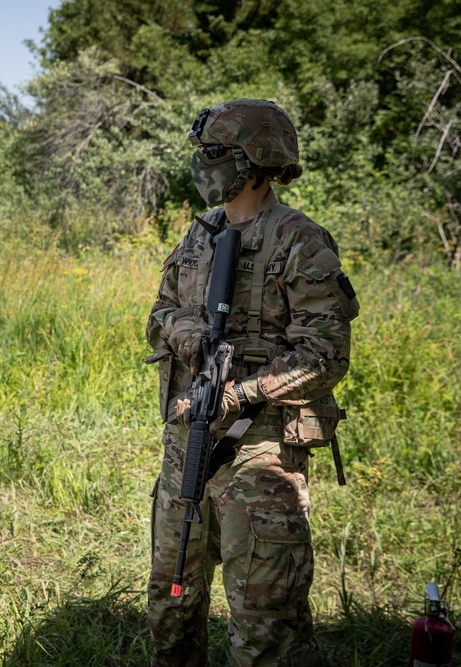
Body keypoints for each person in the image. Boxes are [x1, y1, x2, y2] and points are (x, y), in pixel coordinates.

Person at [145, 99, 359, 667]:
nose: (203, 166)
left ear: (256, 161)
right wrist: (186, 330)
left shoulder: (300, 240)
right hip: (186, 441)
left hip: (262, 454)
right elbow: (159, 313)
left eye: (215, 155)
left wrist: (240, 391)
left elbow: (324, 356)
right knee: (170, 602)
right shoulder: (201, 234)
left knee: (266, 624)